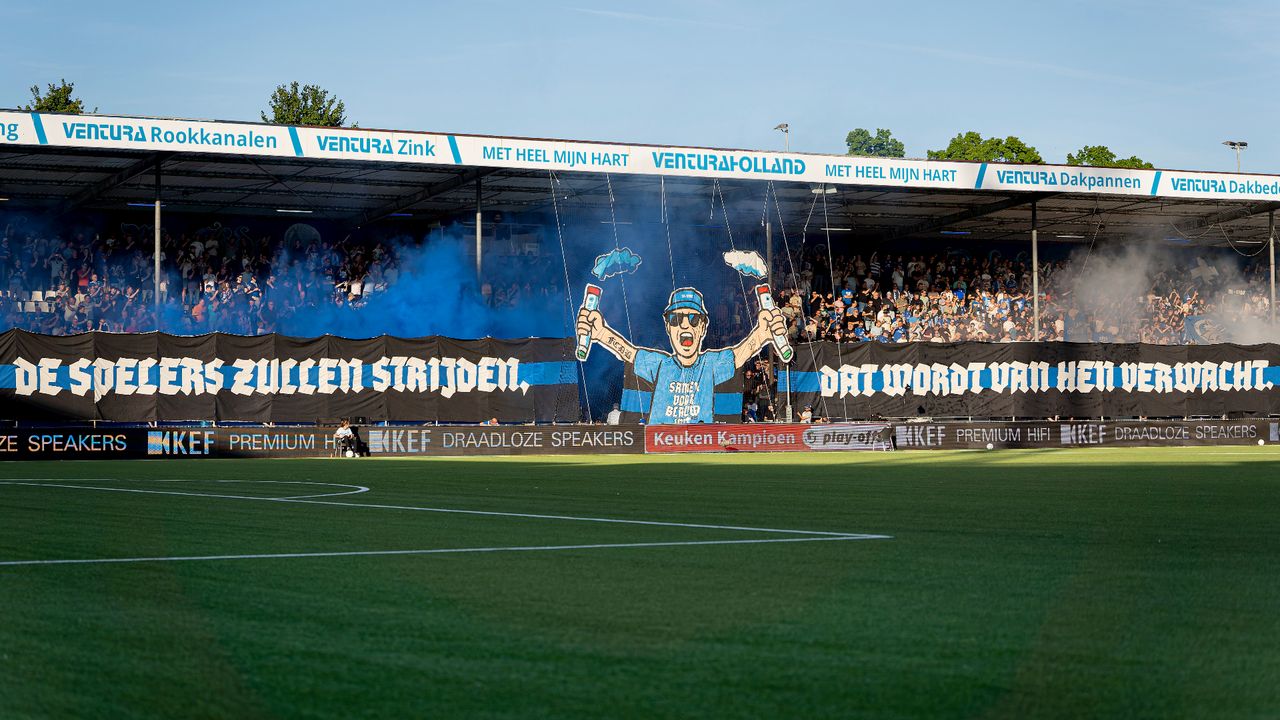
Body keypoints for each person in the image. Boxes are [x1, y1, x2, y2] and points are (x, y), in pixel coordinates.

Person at [576, 286, 786, 425]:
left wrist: (762, 334)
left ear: (703, 327)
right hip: (659, 441)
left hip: (699, 441)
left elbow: (741, 354)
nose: (685, 324)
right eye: (676, 319)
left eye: (693, 318)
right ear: (668, 327)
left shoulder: (711, 363)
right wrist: (600, 333)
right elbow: (626, 351)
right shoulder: (658, 363)